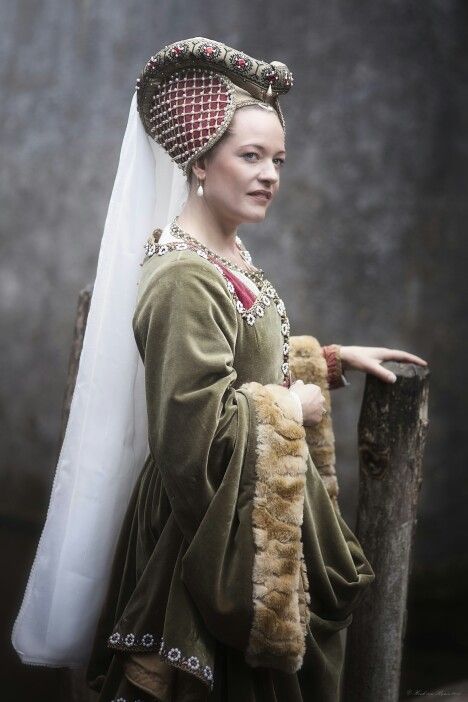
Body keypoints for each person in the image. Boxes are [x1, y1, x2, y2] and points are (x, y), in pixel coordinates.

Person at [12, 37, 427, 702]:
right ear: (201, 162)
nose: (271, 175)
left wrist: (322, 363)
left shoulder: (224, 251)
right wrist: (293, 408)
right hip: (206, 530)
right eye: (251, 156)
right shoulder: (182, 275)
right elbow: (190, 437)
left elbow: (239, 360)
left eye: (278, 160)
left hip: (250, 508)